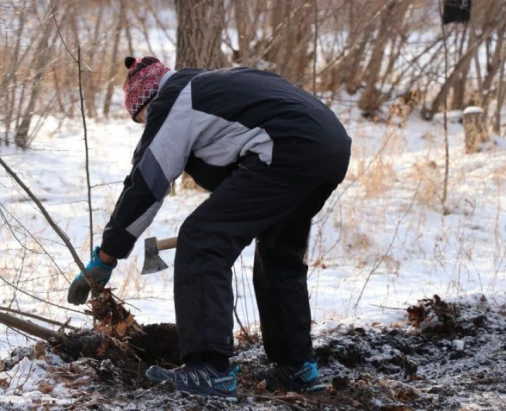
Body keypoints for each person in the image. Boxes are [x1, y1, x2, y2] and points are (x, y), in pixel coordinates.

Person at [67, 56, 351, 402]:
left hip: (286, 148)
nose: (148, 127)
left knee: (202, 240)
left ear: (148, 103)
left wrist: (107, 256)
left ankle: (209, 368)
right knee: (279, 254)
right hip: (329, 146)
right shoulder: (215, 86)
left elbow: (146, 183)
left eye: (143, 120)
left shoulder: (174, 100)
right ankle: (296, 368)